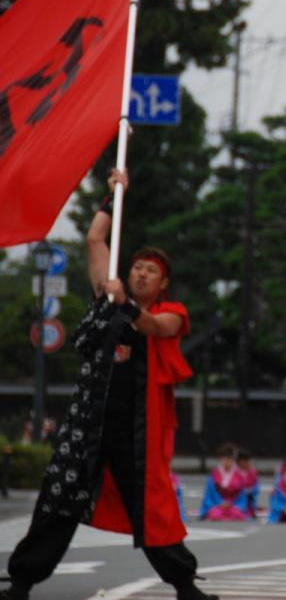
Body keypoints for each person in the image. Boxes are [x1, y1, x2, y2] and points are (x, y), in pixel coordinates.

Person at [2, 169, 214, 600]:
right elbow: (96, 241)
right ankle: (21, 581)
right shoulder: (107, 295)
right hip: (88, 423)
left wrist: (126, 305)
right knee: (57, 499)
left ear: (162, 282)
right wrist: (112, 195)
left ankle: (185, 586)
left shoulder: (171, 311)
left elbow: (155, 326)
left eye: (150, 271)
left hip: (135, 431)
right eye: (136, 267)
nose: (140, 274)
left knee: (152, 509)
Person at [199, 444, 250, 522]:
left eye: (230, 459)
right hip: (217, 504)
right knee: (215, 513)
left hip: (234, 504)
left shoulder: (239, 475)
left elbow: (241, 494)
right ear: (221, 459)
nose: (227, 462)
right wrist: (220, 502)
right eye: (225, 459)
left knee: (237, 513)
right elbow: (211, 492)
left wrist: (231, 504)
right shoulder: (215, 473)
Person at [234, 450, 259, 519]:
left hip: (249, 499)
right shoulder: (234, 472)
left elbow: (256, 486)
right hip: (236, 499)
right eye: (247, 461)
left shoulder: (252, 472)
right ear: (240, 462)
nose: (249, 463)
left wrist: (251, 490)